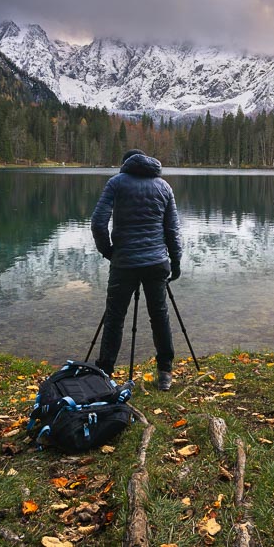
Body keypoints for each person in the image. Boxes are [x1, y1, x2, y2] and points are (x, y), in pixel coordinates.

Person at [92, 148, 183, 390]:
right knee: (159, 315)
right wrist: (175, 261)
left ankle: (105, 373)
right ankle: (165, 373)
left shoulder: (116, 183)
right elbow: (172, 231)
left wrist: (109, 252)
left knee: (114, 318)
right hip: (156, 263)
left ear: (126, 165)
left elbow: (98, 222)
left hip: (125, 263)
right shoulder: (164, 187)